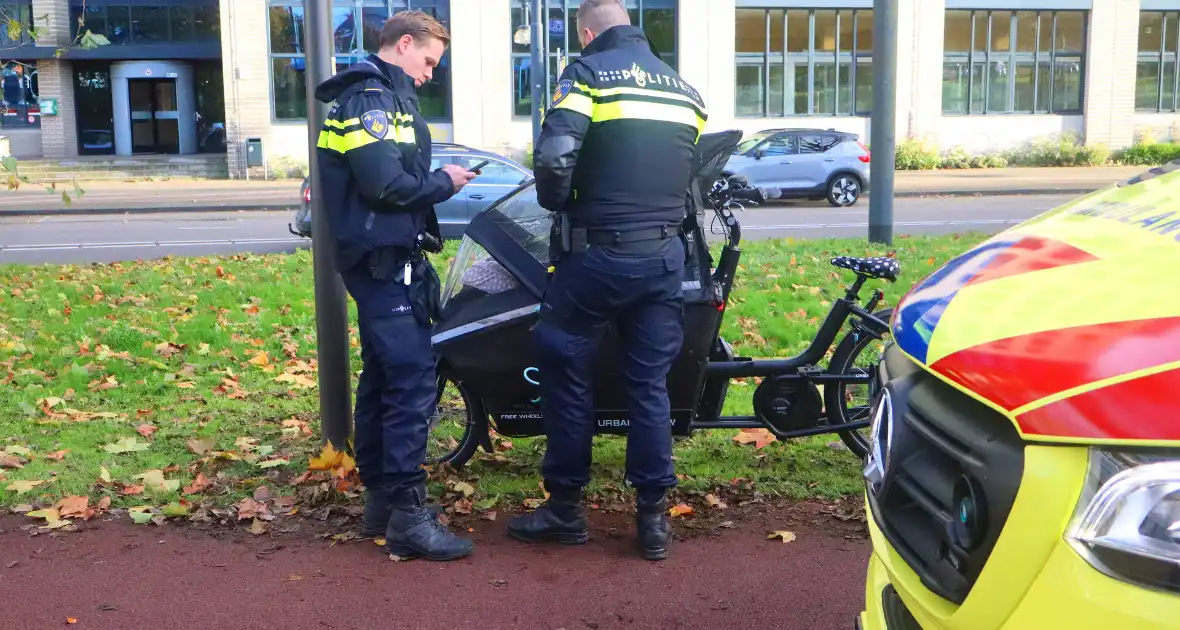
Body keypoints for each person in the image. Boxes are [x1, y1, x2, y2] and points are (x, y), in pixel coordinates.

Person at [505, 0, 707, 561]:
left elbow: (555, 155)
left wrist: (558, 203)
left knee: (564, 366)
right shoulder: (685, 91)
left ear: (588, 31)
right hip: (664, 258)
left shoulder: (588, 73)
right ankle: (652, 519)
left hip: (596, 257)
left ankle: (565, 510)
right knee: (649, 385)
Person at [313, 10, 477, 562]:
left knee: (385, 377)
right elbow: (386, 185)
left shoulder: (382, 97)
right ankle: (408, 514)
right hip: (381, 261)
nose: (431, 73)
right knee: (411, 380)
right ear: (404, 44)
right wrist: (444, 184)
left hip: (385, 258)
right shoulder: (371, 101)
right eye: (429, 61)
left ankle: (382, 501)